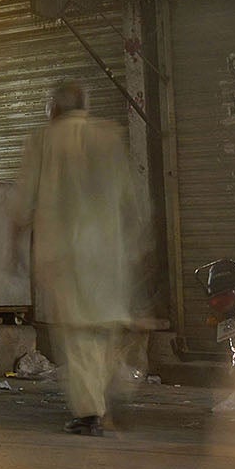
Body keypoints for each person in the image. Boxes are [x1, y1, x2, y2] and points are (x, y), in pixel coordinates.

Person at [18, 81, 151, 437]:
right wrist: (136, 247)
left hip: (65, 255)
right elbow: (131, 199)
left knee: (77, 338)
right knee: (103, 330)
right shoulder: (108, 137)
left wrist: (13, 247)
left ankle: (91, 411)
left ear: (54, 109)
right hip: (108, 255)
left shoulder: (43, 141)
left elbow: (22, 204)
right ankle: (106, 395)